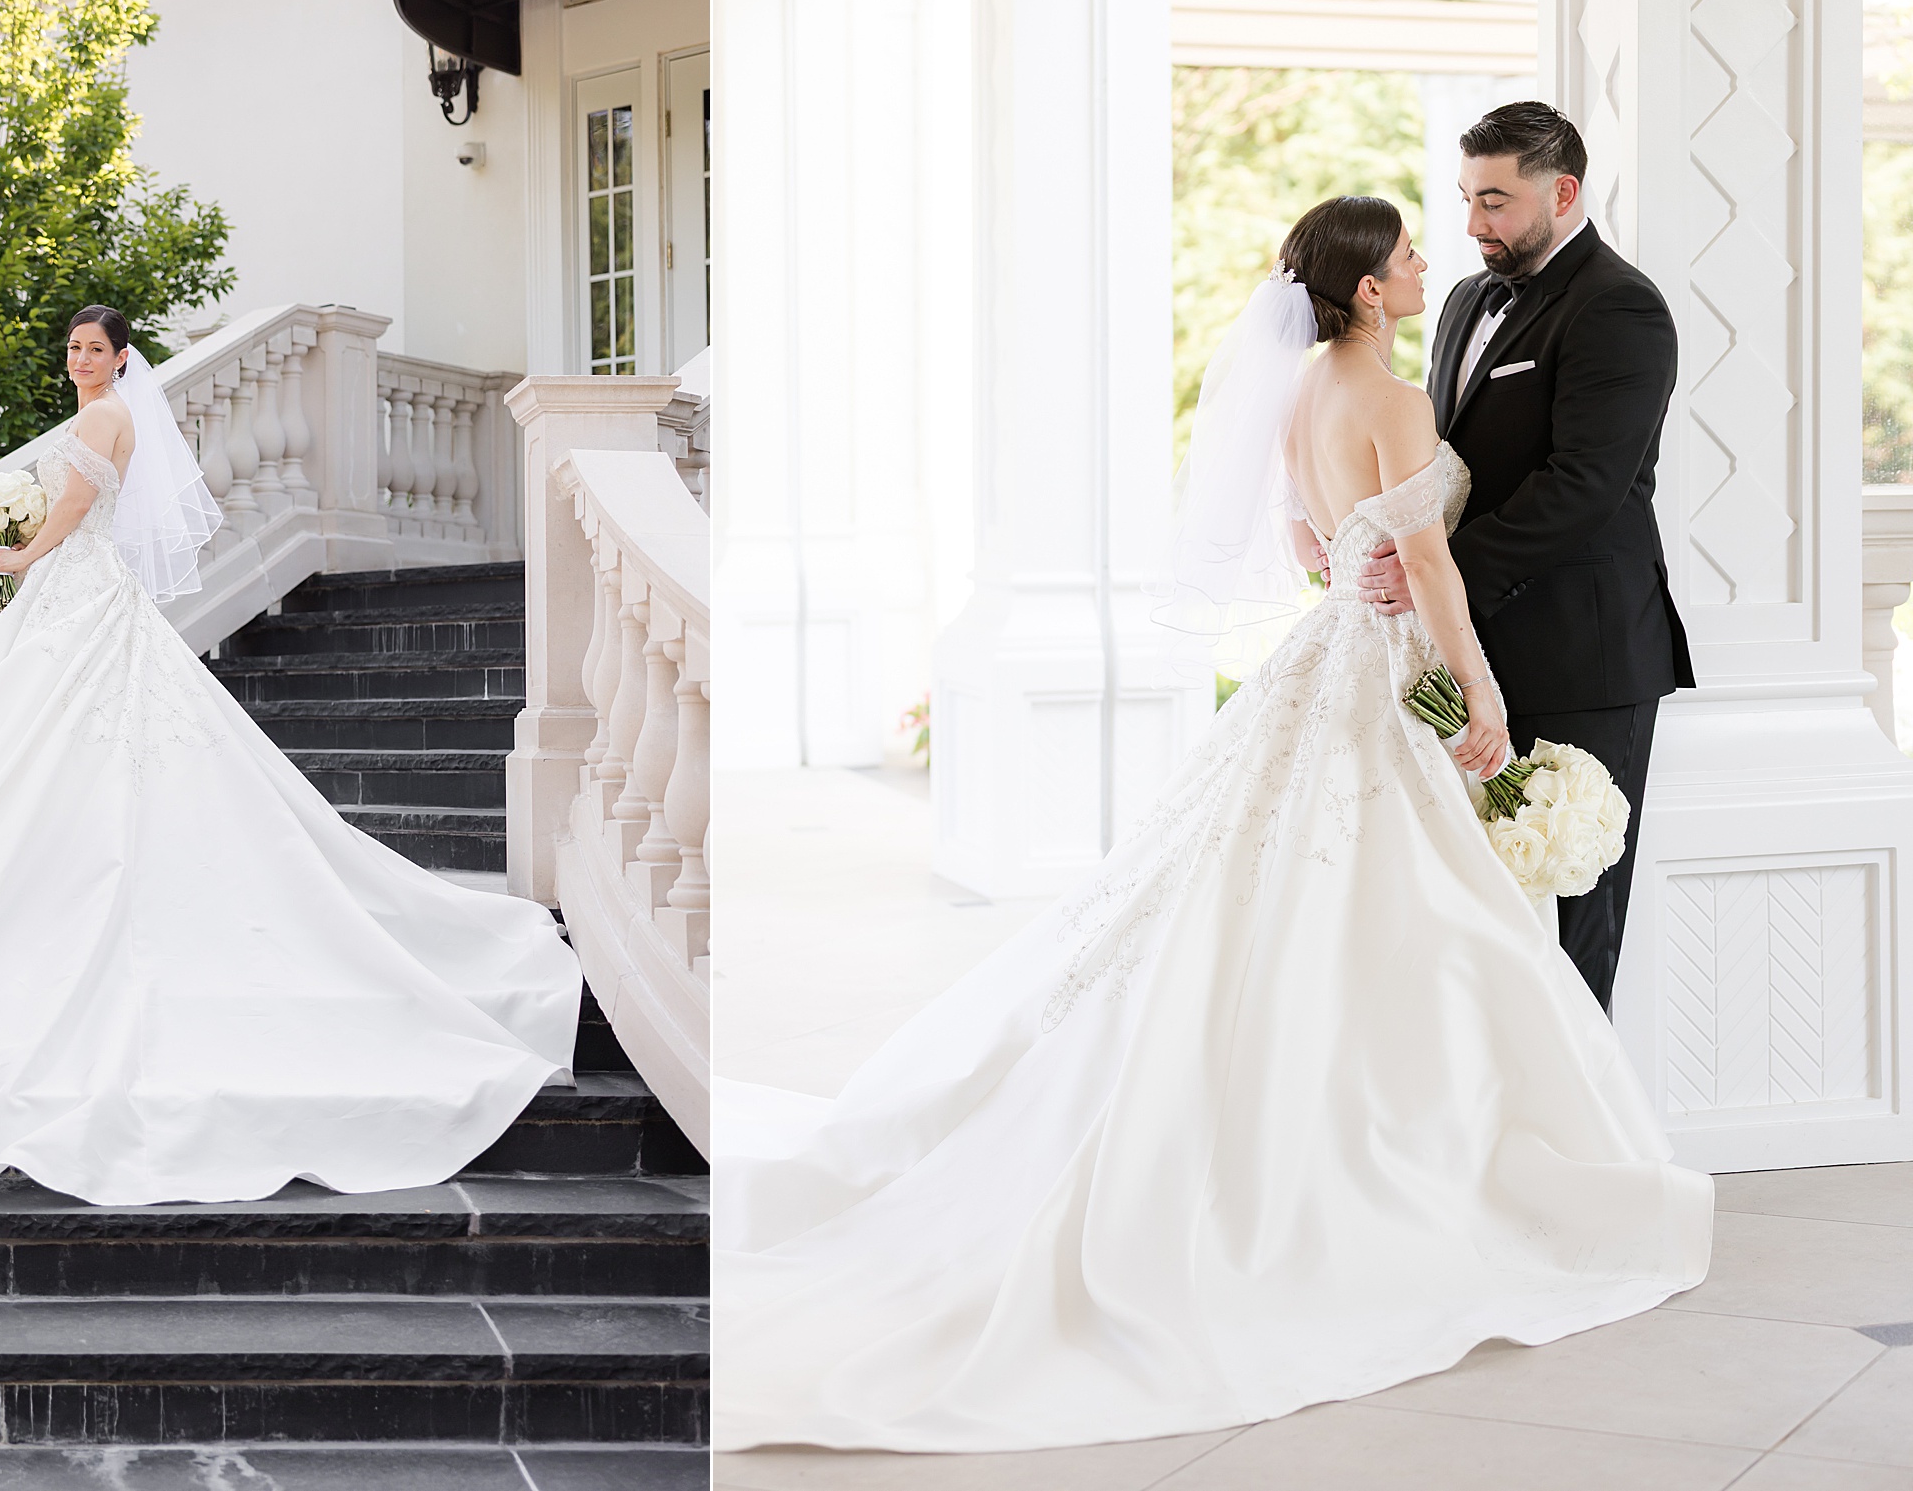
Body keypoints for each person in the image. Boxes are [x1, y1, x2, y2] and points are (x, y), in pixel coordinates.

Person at [712, 199, 1711, 1454]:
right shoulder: (1393, 401)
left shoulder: (1298, 393)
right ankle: (1400, 1163)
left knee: (1296, 900)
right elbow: (1430, 569)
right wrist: (1483, 696)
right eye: (1407, 252)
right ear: (1367, 290)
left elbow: (1308, 542)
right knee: (1406, 915)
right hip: (1395, 669)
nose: (1428, 261)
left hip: (1328, 655)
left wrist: (1353, 567)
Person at [0, 306, 581, 1206]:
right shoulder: (98, 414)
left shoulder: (104, 416)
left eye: (95, 349)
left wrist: (15, 554)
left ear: (120, 359)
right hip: (79, 593)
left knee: (66, 737)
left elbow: (75, 513)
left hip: (78, 591)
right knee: (40, 743)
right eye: (73, 348)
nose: (80, 359)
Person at [1357, 101, 1689, 1010]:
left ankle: (1585, 1103)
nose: (1472, 223)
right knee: (1481, 919)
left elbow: (1584, 485)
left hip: (1583, 653)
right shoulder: (1466, 299)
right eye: (1467, 197)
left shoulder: (1621, 306)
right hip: (1470, 647)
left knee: (1575, 917)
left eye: (1495, 200)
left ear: (1564, 192)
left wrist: (1433, 572)